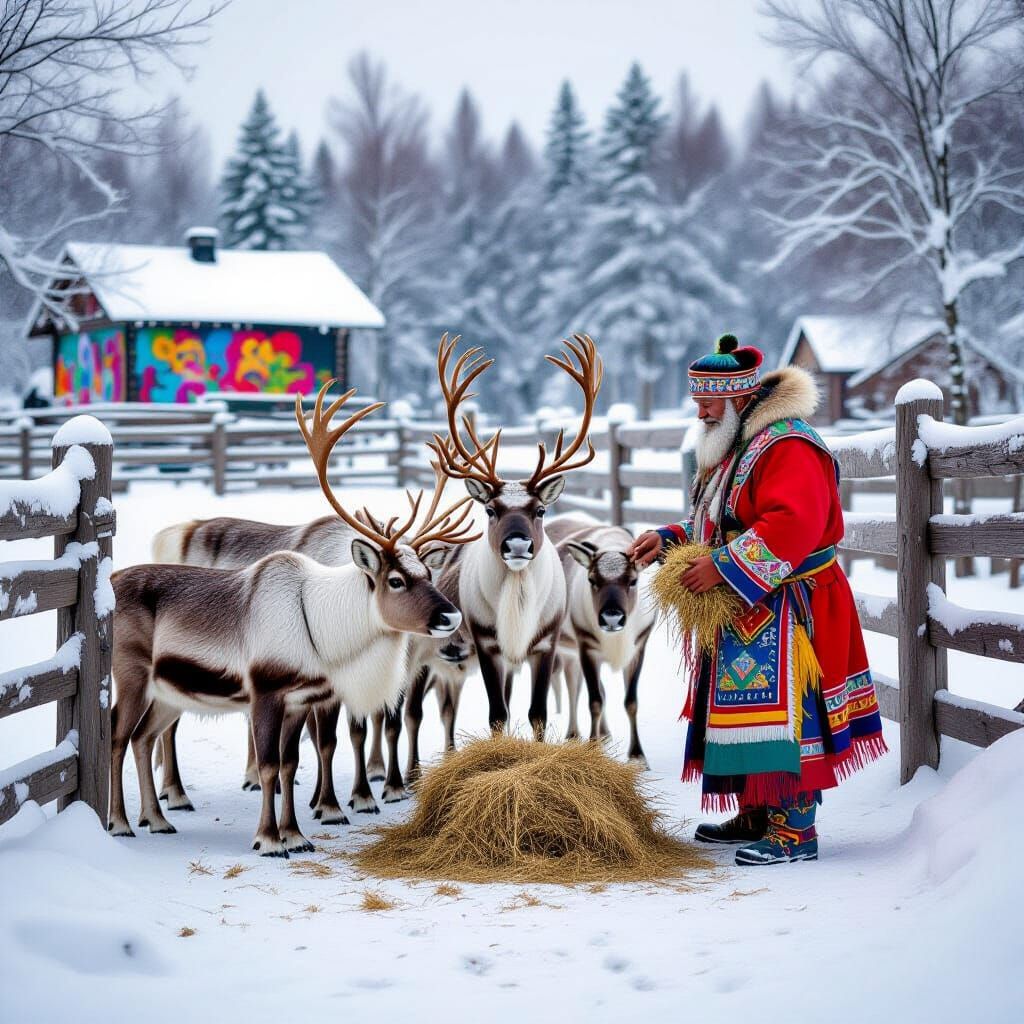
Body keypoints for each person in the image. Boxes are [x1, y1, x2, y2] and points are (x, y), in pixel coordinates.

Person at [628, 334, 886, 865]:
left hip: (792, 604)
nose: (700, 412)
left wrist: (722, 566)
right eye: (698, 401)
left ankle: (795, 830)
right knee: (744, 710)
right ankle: (756, 810)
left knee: (788, 716)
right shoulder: (738, 444)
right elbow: (726, 519)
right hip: (750, 602)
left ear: (740, 397)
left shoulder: (788, 444)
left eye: (708, 402)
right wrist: (672, 538)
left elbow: (794, 523)